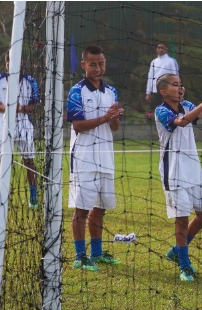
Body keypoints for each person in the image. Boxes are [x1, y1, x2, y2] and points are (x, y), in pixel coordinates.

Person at [154, 74, 202, 282]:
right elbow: (181, 122)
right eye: (175, 85)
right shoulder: (161, 111)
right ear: (163, 92)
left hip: (193, 170)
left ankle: (176, 251)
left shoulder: (187, 105)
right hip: (174, 173)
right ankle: (184, 265)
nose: (180, 87)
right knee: (182, 219)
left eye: (181, 84)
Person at [67, 45, 124, 271]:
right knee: (81, 208)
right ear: (83, 65)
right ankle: (80, 257)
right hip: (84, 158)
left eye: (101, 64)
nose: (98, 68)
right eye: (93, 64)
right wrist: (105, 117)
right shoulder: (76, 91)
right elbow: (77, 125)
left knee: (100, 207)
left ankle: (97, 253)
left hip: (105, 157)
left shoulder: (111, 91)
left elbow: (115, 127)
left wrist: (115, 117)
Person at [0, 53, 40, 208]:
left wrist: (22, 108)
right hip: (2, 125)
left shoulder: (31, 81)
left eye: (18, 61)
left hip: (24, 125)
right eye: (10, 62)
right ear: (6, 63)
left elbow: (33, 105)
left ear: (22, 62)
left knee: (29, 161)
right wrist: (9, 108)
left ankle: (33, 195)